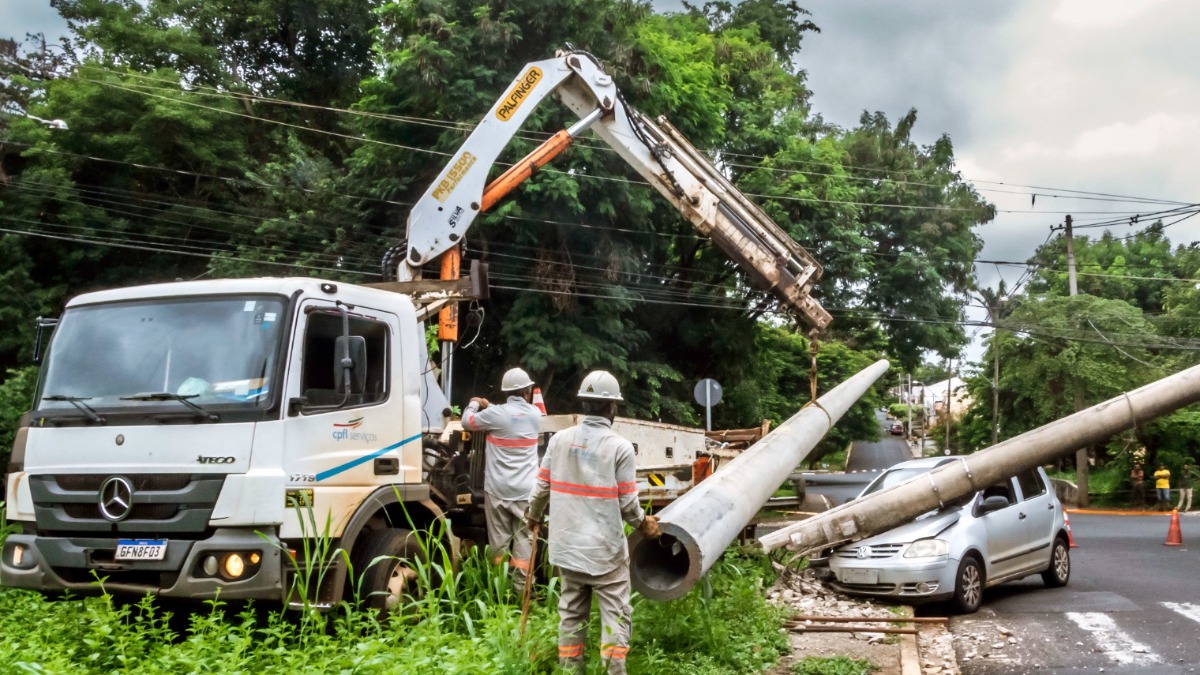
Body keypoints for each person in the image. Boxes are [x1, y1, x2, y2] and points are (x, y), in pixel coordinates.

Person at [526, 370, 661, 675]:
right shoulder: (619, 447)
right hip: (605, 554)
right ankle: (613, 672)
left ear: (585, 404)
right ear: (613, 407)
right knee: (616, 616)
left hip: (567, 548)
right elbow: (628, 505)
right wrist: (645, 525)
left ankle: (570, 670)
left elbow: (540, 489)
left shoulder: (559, 441)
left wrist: (533, 517)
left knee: (571, 615)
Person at [461, 367, 542, 589]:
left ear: (506, 392)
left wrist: (474, 403)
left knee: (499, 541)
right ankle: (522, 588)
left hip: (497, 490)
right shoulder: (535, 415)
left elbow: (467, 422)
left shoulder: (495, 416)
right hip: (525, 491)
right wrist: (492, 407)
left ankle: (500, 589)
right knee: (524, 539)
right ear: (526, 392)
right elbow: (513, 415)